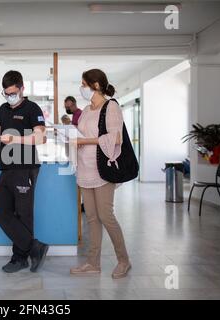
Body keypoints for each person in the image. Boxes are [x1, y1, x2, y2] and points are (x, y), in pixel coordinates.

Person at [0, 70, 49, 273]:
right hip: (7, 167)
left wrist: (14, 139)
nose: (10, 96)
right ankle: (34, 247)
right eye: (6, 93)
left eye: (13, 92)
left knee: (23, 214)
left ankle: (19, 258)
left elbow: (40, 138)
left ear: (21, 89)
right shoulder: (3, 109)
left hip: (25, 168)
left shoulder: (32, 108)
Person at [70, 69, 131, 279]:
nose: (81, 88)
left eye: (83, 84)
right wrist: (71, 139)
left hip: (102, 169)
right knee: (92, 219)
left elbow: (116, 139)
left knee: (106, 216)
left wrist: (83, 141)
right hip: (85, 169)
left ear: (95, 85)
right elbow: (83, 135)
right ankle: (92, 263)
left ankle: (124, 261)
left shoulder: (111, 106)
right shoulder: (86, 110)